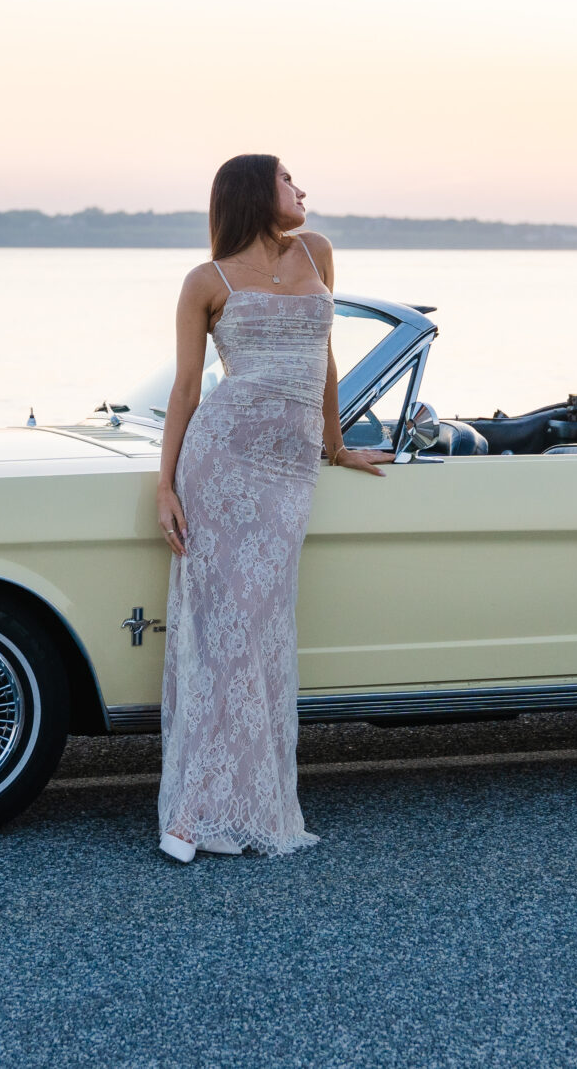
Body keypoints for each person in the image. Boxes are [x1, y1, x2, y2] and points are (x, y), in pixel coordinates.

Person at [152, 154, 390, 862]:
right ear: (259, 192)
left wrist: (338, 445)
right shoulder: (207, 281)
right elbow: (188, 390)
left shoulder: (317, 252)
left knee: (259, 631)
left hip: (288, 472)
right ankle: (196, 812)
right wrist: (165, 484)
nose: (304, 190)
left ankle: (242, 803)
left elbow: (326, 357)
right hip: (222, 461)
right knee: (224, 633)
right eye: (291, 179)